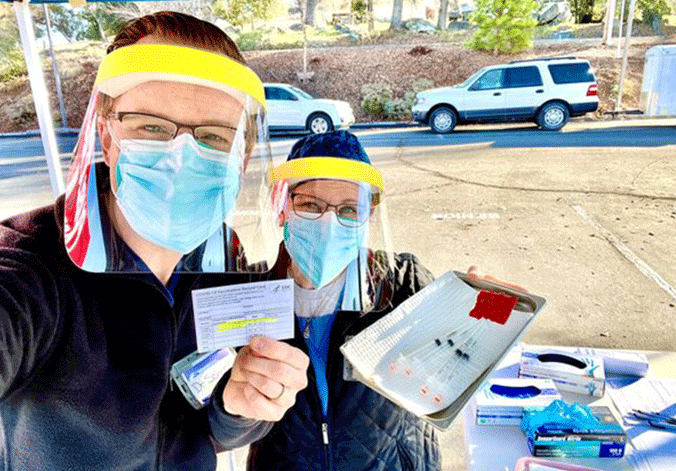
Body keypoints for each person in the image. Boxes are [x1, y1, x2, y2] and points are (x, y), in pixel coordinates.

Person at [0, 11, 308, 471]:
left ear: (241, 159)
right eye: (151, 126)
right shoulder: (32, 267)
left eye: (213, 136)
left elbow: (210, 428)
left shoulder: (225, 261)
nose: (182, 155)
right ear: (107, 138)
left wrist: (241, 408)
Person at [249, 130, 441, 470]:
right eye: (310, 205)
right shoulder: (251, 294)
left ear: (367, 217)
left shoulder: (401, 283)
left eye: (349, 209)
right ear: (282, 208)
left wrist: (488, 309)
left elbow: (465, 352)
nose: (329, 223)